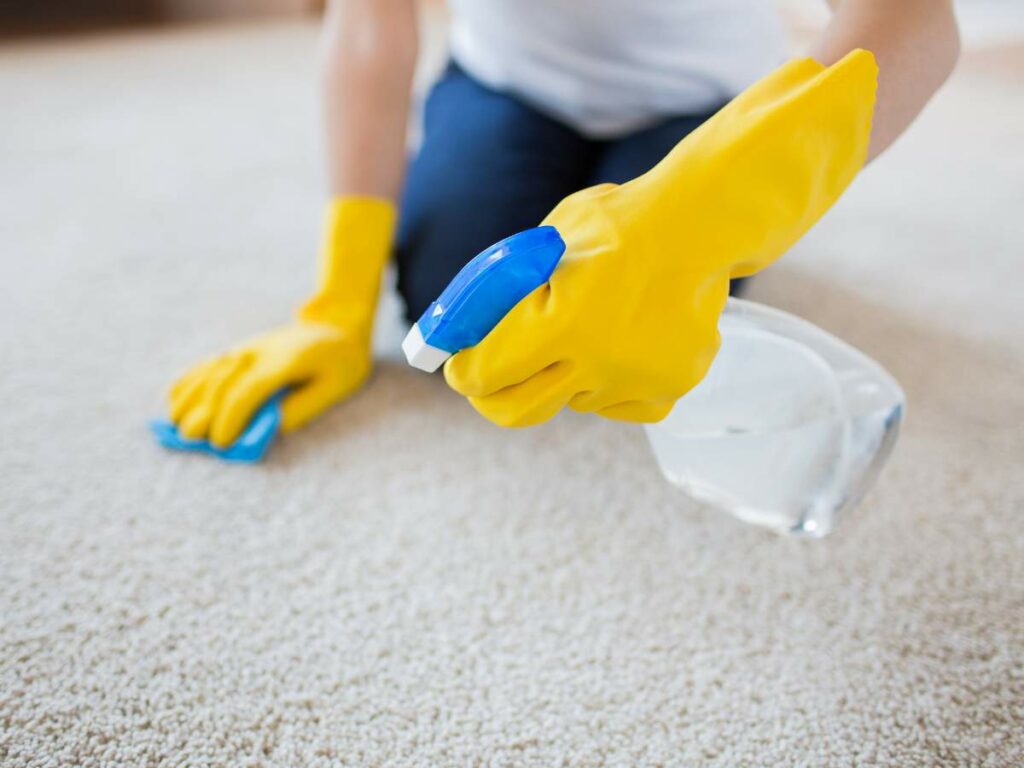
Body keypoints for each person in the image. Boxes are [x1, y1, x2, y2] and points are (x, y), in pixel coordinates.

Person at [166, 0, 959, 444]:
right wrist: (338, 299)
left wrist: (695, 220)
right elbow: (369, 21)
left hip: (698, 105)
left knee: (634, 301)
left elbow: (915, 20)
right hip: (510, 86)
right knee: (454, 288)